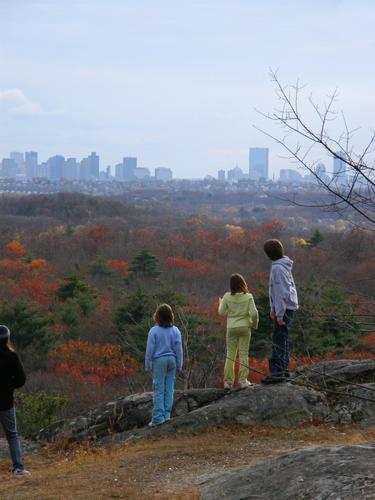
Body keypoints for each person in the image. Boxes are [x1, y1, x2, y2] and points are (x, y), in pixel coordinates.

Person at [262, 239, 299, 384]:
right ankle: (283, 371)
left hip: (284, 309)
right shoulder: (283, 264)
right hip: (286, 308)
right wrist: (273, 308)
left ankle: (278, 373)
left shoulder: (278, 268)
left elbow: (281, 292)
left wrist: (279, 314)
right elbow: (278, 291)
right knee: (282, 339)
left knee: (278, 340)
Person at [218, 274, 259, 390]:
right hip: (245, 327)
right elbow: (255, 313)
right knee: (243, 354)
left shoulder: (227, 297)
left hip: (231, 328)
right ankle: (243, 381)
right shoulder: (248, 297)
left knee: (230, 355)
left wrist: (221, 303)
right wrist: (253, 324)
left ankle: (228, 382)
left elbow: (221, 312)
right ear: (243, 283)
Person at [145, 304, 183, 426]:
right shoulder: (176, 330)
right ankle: (166, 415)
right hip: (172, 360)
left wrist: (147, 364)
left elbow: (149, 349)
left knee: (158, 388)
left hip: (159, 361)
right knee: (169, 388)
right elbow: (179, 349)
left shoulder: (154, 331)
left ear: (158, 316)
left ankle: (157, 418)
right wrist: (179, 364)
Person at [0, 325, 30, 477]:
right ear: (7, 338)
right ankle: (18, 468)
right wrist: (8, 386)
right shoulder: (12, 356)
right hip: (5, 402)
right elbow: (21, 380)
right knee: (12, 435)